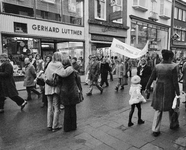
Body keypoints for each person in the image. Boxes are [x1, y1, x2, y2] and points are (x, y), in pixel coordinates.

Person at [145, 50, 180, 137]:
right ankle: (173, 124)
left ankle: (155, 129)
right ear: (170, 57)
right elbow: (175, 82)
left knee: (158, 109)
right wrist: (178, 94)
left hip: (159, 88)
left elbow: (151, 78)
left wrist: (147, 87)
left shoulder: (157, 66)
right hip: (170, 89)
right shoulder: (174, 67)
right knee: (172, 107)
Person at [45, 52, 74, 132]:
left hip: (48, 87)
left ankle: (49, 125)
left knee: (49, 107)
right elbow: (63, 75)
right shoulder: (59, 65)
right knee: (56, 107)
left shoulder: (49, 64)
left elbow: (46, 75)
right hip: (55, 88)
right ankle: (55, 125)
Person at [56, 58, 82, 132]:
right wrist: (80, 91)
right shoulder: (74, 72)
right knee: (73, 109)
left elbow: (58, 82)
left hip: (64, 93)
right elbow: (78, 83)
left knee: (67, 110)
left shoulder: (60, 73)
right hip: (73, 92)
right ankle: (73, 126)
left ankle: (67, 127)